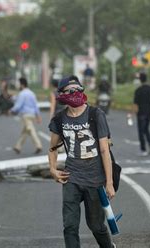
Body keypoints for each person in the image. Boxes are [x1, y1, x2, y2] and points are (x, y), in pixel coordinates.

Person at [48, 75, 115, 248]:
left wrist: (109, 182)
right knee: (69, 226)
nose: (75, 93)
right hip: (72, 178)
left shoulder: (95, 114)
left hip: (95, 179)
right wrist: (53, 169)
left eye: (78, 89)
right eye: (70, 91)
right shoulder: (59, 119)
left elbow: (104, 150)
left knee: (96, 226)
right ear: (62, 94)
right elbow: (53, 148)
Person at [10, 77, 43, 154]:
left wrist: (11, 110)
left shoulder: (22, 94)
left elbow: (18, 106)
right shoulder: (32, 93)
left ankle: (39, 146)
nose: (18, 86)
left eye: (18, 84)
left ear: (22, 85)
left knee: (31, 130)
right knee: (25, 131)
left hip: (26, 116)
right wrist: (38, 116)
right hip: (32, 115)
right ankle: (17, 146)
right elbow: (36, 106)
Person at [132, 72, 150, 156]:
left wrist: (133, 113)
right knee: (146, 128)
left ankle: (143, 149)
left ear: (140, 80)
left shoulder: (138, 90)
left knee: (141, 131)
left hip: (141, 113)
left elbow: (135, 104)